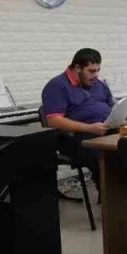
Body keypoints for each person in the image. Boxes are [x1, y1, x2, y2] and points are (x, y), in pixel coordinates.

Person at [40, 48, 111, 186]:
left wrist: (120, 119)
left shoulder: (98, 84)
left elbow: (111, 106)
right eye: (91, 71)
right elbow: (53, 121)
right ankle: (108, 196)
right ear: (78, 68)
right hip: (77, 137)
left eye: (98, 70)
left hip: (105, 129)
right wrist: (89, 128)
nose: (96, 75)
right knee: (106, 156)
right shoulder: (57, 86)